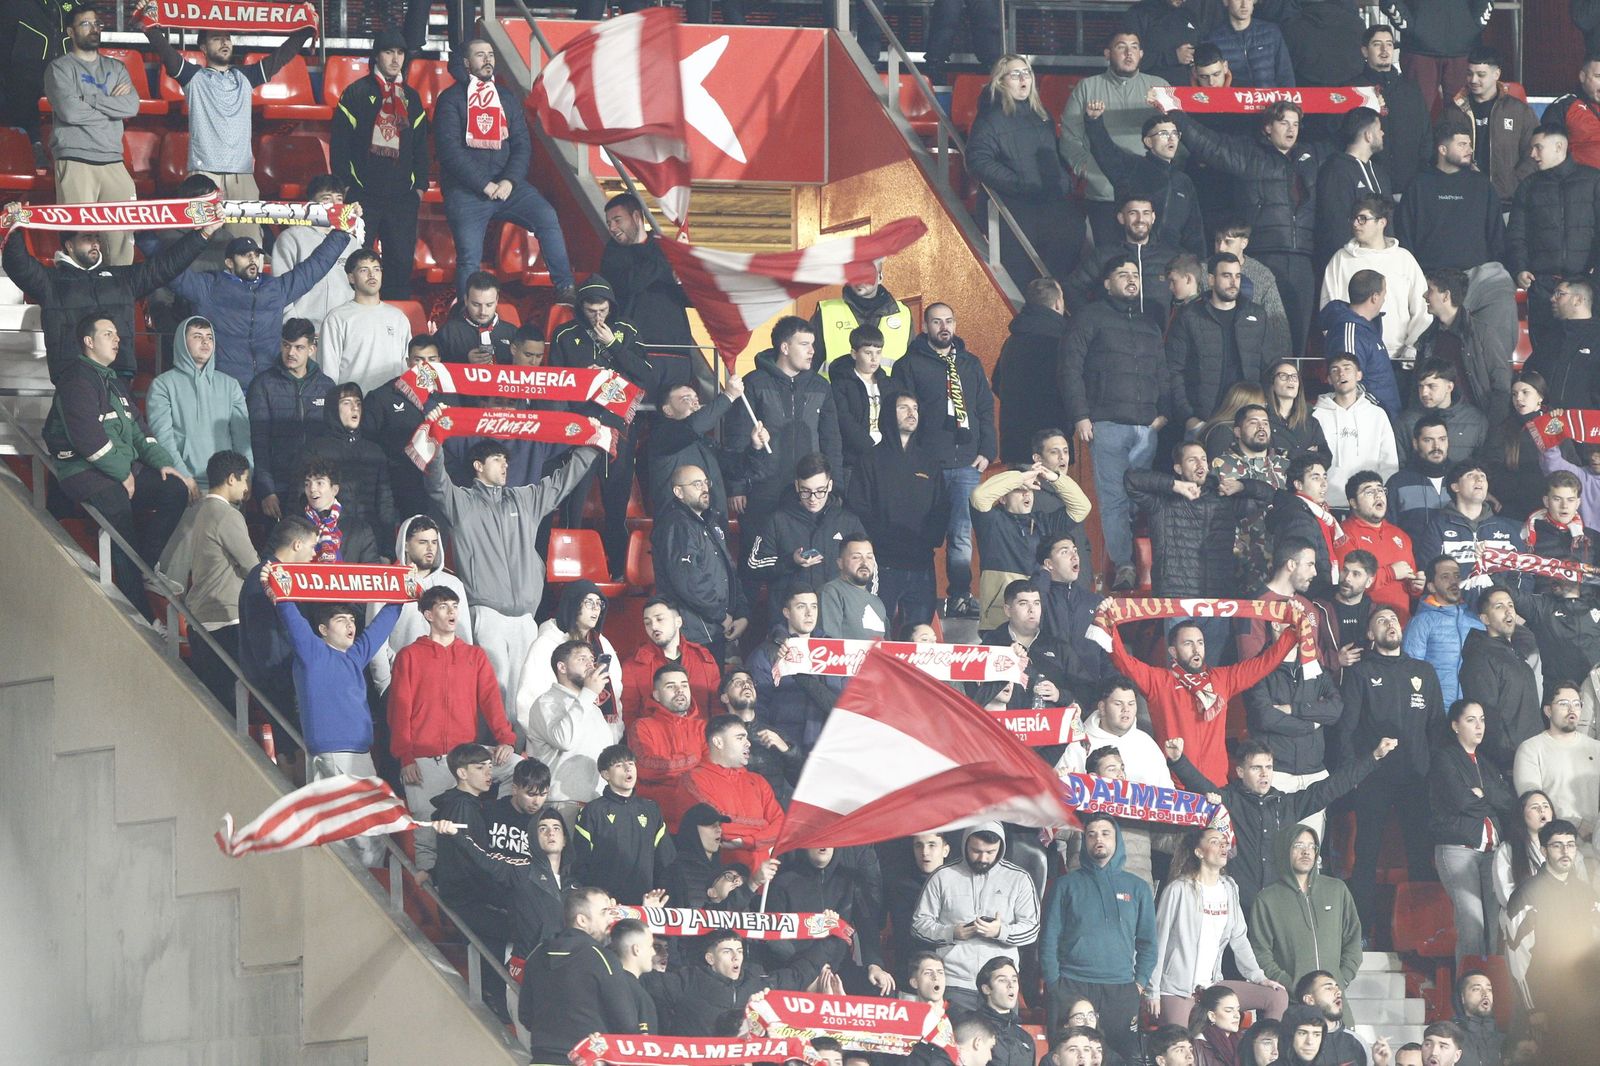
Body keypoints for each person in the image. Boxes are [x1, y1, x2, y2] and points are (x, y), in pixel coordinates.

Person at [424, 432, 597, 704]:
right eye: (497, 460)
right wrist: (434, 445)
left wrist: (592, 445)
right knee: (493, 691)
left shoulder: (524, 499)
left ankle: (520, 747)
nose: (505, 466)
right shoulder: (462, 502)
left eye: (506, 460)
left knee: (527, 693)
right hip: (487, 612)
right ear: (478, 466)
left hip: (526, 616)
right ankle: (492, 746)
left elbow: (562, 482)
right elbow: (437, 483)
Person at [43, 315, 193, 620]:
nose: (117, 339)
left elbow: (140, 431)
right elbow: (88, 440)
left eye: (117, 334)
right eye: (108, 334)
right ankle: (141, 618)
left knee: (174, 490)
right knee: (119, 517)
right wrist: (122, 472)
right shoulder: (76, 380)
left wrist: (162, 462)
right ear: (88, 341)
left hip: (120, 469)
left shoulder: (112, 380)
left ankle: (146, 567)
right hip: (83, 472)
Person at [140, 8, 315, 243]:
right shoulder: (193, 77)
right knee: (200, 246)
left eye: (227, 37)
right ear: (203, 48)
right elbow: (165, 52)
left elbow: (282, 55)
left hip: (242, 175)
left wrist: (306, 27)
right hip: (203, 176)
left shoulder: (246, 76)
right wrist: (149, 20)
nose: (224, 42)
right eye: (216, 38)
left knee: (247, 245)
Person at [1161, 98, 1322, 353]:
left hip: (1303, 258)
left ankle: (1293, 390)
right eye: (1283, 123)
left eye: (1296, 124)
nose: (1291, 130)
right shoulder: (1250, 154)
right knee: (1258, 333)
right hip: (1264, 254)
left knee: (1297, 337)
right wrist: (1175, 114)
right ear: (1268, 127)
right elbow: (1209, 145)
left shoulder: (1310, 156)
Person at [1167, 736, 1395, 915]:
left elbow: (1330, 787)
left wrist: (1373, 758)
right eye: (1257, 768)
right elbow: (1202, 787)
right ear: (1240, 772)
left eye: (1269, 767)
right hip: (1236, 907)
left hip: (1275, 909)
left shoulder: (1286, 804)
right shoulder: (1229, 800)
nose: (1265, 773)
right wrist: (1178, 760)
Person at [1060, 254, 1175, 591]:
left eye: (1135, 275)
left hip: (1145, 427)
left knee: (1143, 499)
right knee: (1114, 499)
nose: (1131, 280)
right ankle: (1124, 566)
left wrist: (1164, 412)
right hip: (1106, 423)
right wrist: (1081, 415)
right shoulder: (1089, 317)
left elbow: (1162, 372)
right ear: (1107, 283)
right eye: (1123, 274)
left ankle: (1153, 567)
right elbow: (1071, 367)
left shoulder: (1149, 323)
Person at [0, 206, 214, 382]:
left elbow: (166, 266)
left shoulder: (123, 277)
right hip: (74, 376)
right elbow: (18, 265)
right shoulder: (49, 281)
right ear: (69, 245)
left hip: (119, 374)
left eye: (96, 237)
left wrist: (202, 235)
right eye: (86, 238)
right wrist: (14, 230)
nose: (95, 243)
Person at [435, 37, 574, 301]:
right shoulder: (450, 99)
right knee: (468, 259)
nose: (487, 59)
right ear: (466, 63)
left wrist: (509, 181)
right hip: (468, 192)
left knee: (547, 216)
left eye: (490, 54)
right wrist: (484, 185)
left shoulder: (506, 98)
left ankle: (566, 289)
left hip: (509, 186)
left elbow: (522, 145)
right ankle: (469, 312)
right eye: (480, 55)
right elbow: (449, 152)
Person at [388, 586, 516, 871]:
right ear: (428, 614)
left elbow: (491, 702)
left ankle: (499, 839)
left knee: (519, 770)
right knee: (427, 837)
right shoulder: (409, 656)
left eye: (455, 606)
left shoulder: (474, 656)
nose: (452, 612)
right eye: (444, 606)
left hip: (465, 757)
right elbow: (400, 710)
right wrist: (405, 756)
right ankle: (431, 902)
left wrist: (505, 739)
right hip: (424, 759)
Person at [271, 589, 402, 862]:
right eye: (341, 620)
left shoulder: (354, 657)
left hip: (358, 752)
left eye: (352, 619)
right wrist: (281, 595)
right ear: (322, 629)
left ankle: (364, 888)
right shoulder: (313, 652)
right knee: (353, 828)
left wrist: (400, 597)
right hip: (334, 752)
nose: (350, 625)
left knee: (362, 825)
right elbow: (292, 621)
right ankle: (363, 891)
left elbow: (379, 628)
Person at [887, 303, 996, 616]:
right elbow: (900, 414)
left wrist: (987, 451)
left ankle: (960, 596)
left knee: (961, 533)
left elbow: (985, 410)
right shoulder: (909, 364)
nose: (943, 327)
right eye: (936, 322)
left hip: (966, 462)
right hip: (926, 464)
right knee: (921, 531)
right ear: (925, 326)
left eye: (948, 321)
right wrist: (909, 457)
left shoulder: (970, 363)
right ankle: (917, 598)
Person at [1339, 605, 1439, 935]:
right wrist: (1353, 775)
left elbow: (1436, 729)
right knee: (1365, 855)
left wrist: (1434, 776)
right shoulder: (1360, 674)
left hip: (1416, 780)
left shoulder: (1423, 671)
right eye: (1381, 620)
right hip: (1374, 780)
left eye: (1394, 619)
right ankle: (1361, 932)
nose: (1390, 624)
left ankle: (1423, 932)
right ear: (1370, 634)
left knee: (1421, 856)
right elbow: (1346, 731)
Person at [551, 274, 659, 575]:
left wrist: (612, 346)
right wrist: (586, 380)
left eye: (603, 310)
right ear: (581, 307)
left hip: (618, 428)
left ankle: (617, 566)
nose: (598, 316)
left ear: (611, 306)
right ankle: (568, 565)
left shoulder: (626, 330)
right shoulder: (564, 334)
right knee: (573, 499)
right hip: (580, 426)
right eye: (591, 311)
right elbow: (555, 385)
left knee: (616, 499)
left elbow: (646, 375)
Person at [1112, 616, 1296, 787]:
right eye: (1188, 643)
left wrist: (1293, 631)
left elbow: (1264, 664)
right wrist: (1108, 624)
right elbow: (1123, 661)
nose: (1196, 649)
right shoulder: (1159, 681)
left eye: (1200, 643)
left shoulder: (1222, 679)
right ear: (1173, 651)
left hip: (1215, 787)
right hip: (1175, 787)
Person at [173, 223, 355, 389]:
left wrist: (340, 233)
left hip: (267, 386)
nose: (253, 259)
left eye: (256, 255)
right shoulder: (208, 286)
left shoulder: (274, 288)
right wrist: (145, 230)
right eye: (245, 255)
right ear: (229, 262)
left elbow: (313, 268)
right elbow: (169, 271)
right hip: (223, 388)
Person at [1039, 815, 1154, 1060]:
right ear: (1084, 841)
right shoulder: (1065, 885)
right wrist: (1054, 984)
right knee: (1065, 1057)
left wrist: (1139, 984)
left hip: (1121, 990)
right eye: (1091, 834)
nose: (1098, 839)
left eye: (1105, 833)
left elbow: (1148, 943)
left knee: (1120, 1059)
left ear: (1117, 840)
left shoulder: (1138, 888)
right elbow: (1048, 938)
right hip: (1071, 985)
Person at [1151, 827, 1289, 1027]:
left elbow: (1239, 939)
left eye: (1224, 842)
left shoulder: (1229, 888)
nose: (1222, 846)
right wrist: (1153, 990)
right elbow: (1159, 940)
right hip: (1177, 989)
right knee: (1179, 1048)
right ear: (1199, 852)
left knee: (1276, 996)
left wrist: (1258, 976)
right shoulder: (1178, 889)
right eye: (1214, 842)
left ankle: (1263, 1046)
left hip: (1213, 986)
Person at [966, 54, 1085, 285]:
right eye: (1015, 74)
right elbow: (978, 160)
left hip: (1050, 204)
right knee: (1022, 279)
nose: (1024, 78)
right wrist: (1018, 183)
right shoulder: (990, 118)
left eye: (1027, 72)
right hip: (1015, 208)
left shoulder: (1042, 115)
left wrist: (1064, 180)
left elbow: (1055, 154)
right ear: (1001, 81)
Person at [329, 30, 428, 301]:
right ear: (376, 55)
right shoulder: (356, 92)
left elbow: (421, 145)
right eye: (389, 52)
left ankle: (395, 321)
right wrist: (346, 186)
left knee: (400, 263)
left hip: (402, 198)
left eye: (400, 53)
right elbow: (339, 144)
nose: (395, 59)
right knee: (354, 261)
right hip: (363, 196)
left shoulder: (412, 97)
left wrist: (419, 186)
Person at [1127, 440, 1274, 618]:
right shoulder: (1162, 501)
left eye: (1203, 459)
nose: (1200, 464)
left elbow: (1268, 496)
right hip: (1176, 599)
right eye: (1192, 460)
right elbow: (1131, 480)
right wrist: (1175, 485)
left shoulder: (1223, 498)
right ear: (1178, 468)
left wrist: (1242, 486)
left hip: (1218, 597)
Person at [725, 316, 843, 528]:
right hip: (763, 490)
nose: (812, 351)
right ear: (785, 347)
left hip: (808, 491)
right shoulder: (754, 382)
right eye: (805, 344)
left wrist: (836, 488)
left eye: (812, 344)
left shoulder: (821, 386)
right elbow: (737, 437)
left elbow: (831, 440)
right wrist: (736, 486)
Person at [912, 822, 1040, 1016]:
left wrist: (1000, 931)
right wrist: (951, 932)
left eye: (990, 852)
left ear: (1001, 847)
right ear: (964, 844)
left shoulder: (1019, 878)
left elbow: (1032, 929)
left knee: (1003, 1045)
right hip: (955, 982)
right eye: (976, 851)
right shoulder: (942, 876)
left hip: (1001, 985)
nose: (983, 858)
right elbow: (918, 924)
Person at [1059, 28, 1172, 246]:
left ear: (1141, 54)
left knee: (1150, 263)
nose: (1129, 53)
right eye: (1121, 47)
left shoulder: (1159, 86)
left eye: (1134, 47)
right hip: (1104, 194)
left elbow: (1175, 136)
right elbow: (1069, 137)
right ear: (1107, 53)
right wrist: (1085, 168)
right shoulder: (1087, 87)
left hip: (1149, 198)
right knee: (1108, 263)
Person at [42, 7, 137, 266]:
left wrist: (88, 99)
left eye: (96, 23)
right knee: (79, 240)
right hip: (75, 160)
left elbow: (131, 107)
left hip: (113, 161)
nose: (94, 28)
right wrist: (109, 107)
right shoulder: (59, 69)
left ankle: (117, 298)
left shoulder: (116, 68)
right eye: (85, 24)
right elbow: (70, 112)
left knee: (122, 243)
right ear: (71, 32)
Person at [847, 392, 949, 632]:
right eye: (903, 408)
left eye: (915, 407)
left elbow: (941, 507)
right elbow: (858, 507)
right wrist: (879, 542)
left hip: (921, 563)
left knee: (920, 633)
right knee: (877, 631)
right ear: (887, 415)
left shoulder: (929, 461)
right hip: (883, 563)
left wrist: (930, 540)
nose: (911, 413)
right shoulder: (870, 459)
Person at [1430, 698, 1517, 967]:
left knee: (1495, 927)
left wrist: (1483, 793)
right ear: (1455, 725)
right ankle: (1468, 996)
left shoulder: (1486, 763)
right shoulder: (1445, 758)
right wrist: (1487, 798)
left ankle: (1495, 996)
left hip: (1491, 853)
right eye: (1471, 720)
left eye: (1482, 720)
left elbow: (1508, 803)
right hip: (1459, 849)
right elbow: (1462, 801)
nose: (1479, 726)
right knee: (1472, 925)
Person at [1503, 819, 1600, 1059]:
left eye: (1570, 844)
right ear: (1544, 850)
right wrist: (1533, 1008)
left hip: (1588, 1002)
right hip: (1548, 1002)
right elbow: (1517, 958)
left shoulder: (1588, 893)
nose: (1566, 851)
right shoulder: (1525, 895)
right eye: (1557, 845)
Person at [168, 451, 255, 706]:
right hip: (226, 617)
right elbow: (252, 565)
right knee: (231, 703)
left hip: (202, 618)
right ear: (231, 479)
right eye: (245, 480)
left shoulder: (201, 511)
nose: (247, 488)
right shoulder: (228, 515)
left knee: (214, 701)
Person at [1507, 125, 1600, 355]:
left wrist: (1594, 275)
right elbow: (1516, 234)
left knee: (1587, 354)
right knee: (1544, 353)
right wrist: (1520, 268)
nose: (1532, 155)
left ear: (1560, 147)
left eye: (1538, 147)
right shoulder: (1528, 187)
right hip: (1542, 286)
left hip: (1586, 285)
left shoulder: (1594, 180)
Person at [520, 886, 639, 1064]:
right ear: (582, 920)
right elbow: (627, 1024)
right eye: (605, 912)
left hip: (541, 1059)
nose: (611, 919)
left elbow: (525, 1016)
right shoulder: (602, 957)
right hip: (585, 1060)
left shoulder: (537, 954)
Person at [640, 929, 824, 1037]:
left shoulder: (759, 982)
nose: (736, 957)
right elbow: (634, 974)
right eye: (727, 951)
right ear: (710, 958)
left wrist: (832, 934)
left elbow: (800, 974)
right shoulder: (687, 980)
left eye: (739, 950)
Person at [970, 465, 1091, 627]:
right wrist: (1019, 478)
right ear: (1003, 498)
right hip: (999, 619)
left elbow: (1082, 507)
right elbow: (979, 496)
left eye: (1030, 489)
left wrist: (1055, 479)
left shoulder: (1044, 522)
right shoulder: (991, 521)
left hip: (1039, 618)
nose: (1027, 493)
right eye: (1020, 490)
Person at [1168, 252, 1275, 433]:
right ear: (1211, 280)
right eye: (1226, 276)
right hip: (1204, 419)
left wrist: (1264, 410)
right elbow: (1173, 370)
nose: (1234, 282)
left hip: (1247, 418)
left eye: (1237, 276)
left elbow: (1269, 366)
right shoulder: (1189, 316)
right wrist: (1188, 417)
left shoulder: (1257, 315)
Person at [1322, 197, 1434, 369]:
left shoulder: (1403, 258)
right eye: (1353, 218)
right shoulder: (1340, 259)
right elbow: (1329, 310)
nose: (1356, 224)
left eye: (1363, 218)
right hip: (1354, 359)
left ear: (1382, 222)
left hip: (1398, 358)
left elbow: (1423, 309)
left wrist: (1412, 346)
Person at [1248, 825, 1362, 994]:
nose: (1306, 852)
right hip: (1290, 1004)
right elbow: (1260, 952)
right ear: (1284, 850)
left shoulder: (1337, 890)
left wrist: (1341, 979)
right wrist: (1291, 986)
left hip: (1333, 1001)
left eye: (1311, 846)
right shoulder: (1267, 899)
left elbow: (1353, 940)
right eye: (1299, 846)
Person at [1085, 97, 1206, 256]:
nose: (1171, 138)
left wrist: (1200, 265)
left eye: (1175, 133)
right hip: (1132, 257)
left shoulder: (1183, 181)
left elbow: (1194, 230)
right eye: (1163, 133)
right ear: (1148, 141)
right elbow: (1105, 151)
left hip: (1172, 260)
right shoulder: (1133, 166)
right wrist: (1094, 121)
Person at [652, 464, 747, 663]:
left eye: (706, 482)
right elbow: (688, 581)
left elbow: (728, 570)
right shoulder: (677, 525)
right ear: (678, 491)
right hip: (695, 632)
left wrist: (740, 613)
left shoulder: (708, 520)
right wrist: (722, 616)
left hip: (714, 627)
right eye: (696, 484)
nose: (705, 488)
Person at [146, 317, 252, 492]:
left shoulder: (230, 385)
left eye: (209, 337)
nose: (205, 341)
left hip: (227, 486)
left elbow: (242, 438)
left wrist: (247, 477)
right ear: (181, 341)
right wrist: (184, 477)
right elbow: (163, 438)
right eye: (197, 336)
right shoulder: (162, 385)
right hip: (184, 484)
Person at [245, 320, 336, 522]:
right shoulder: (262, 385)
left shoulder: (327, 386)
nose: (291, 353)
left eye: (299, 347)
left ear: (312, 349)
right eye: (286, 345)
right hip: (278, 488)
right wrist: (266, 491)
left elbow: (332, 443)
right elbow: (258, 443)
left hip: (315, 488)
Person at [746, 453, 862, 603]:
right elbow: (754, 566)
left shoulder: (848, 522)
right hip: (787, 617)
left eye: (820, 491)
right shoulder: (778, 520)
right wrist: (790, 561)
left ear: (830, 485)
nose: (813, 499)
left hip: (835, 616)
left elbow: (868, 567)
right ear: (796, 486)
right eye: (806, 491)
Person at [647, 377, 767, 519]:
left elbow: (737, 469)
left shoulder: (706, 442)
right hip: (680, 529)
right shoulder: (661, 437)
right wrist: (728, 396)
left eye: (696, 398)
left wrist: (755, 447)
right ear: (667, 410)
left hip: (714, 528)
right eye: (686, 399)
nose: (695, 403)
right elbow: (695, 425)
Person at [601, 193, 699, 367]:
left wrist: (681, 277)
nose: (612, 228)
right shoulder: (612, 254)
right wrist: (667, 258)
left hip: (676, 350)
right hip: (635, 351)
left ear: (636, 216)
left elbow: (693, 299)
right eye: (609, 223)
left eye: (617, 220)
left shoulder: (665, 248)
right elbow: (630, 283)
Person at [676, 715, 784, 873]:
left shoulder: (758, 781)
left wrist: (746, 841)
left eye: (746, 738)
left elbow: (781, 826)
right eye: (740, 738)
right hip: (718, 882)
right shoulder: (694, 779)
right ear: (718, 742)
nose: (748, 743)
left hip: (763, 883)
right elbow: (720, 828)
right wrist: (763, 828)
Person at [515, 580, 625, 734]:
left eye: (599, 603)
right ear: (573, 604)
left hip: (597, 736)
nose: (596, 609)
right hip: (557, 737)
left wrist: (611, 735)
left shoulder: (603, 644)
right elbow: (529, 700)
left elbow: (615, 690)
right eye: (589, 602)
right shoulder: (546, 645)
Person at [1399, 122, 1507, 276]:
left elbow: (1497, 233)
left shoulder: (1482, 184)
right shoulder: (1418, 184)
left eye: (1469, 145)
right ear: (1443, 149)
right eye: (1462, 145)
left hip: (1477, 276)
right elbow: (1405, 233)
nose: (1469, 150)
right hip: (1429, 275)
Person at [571, 743, 673, 905]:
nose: (628, 769)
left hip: (645, 903)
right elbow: (580, 862)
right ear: (605, 774)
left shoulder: (651, 809)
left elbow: (666, 860)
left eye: (631, 763)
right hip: (607, 906)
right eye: (619, 765)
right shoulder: (593, 811)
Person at [297, 382, 394, 552]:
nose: (354, 409)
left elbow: (385, 504)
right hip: (325, 540)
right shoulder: (314, 449)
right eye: (347, 403)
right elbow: (299, 500)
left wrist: (388, 550)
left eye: (358, 403)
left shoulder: (374, 451)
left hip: (369, 541)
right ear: (333, 409)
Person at [1458, 587, 1542, 774]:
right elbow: (1487, 715)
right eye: (1499, 606)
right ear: (1485, 619)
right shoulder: (1480, 657)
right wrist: (1506, 759)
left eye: (1510, 605)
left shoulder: (1514, 652)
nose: (1508, 610)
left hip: (1532, 755)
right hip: (1509, 762)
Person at [1414, 269, 1513, 423]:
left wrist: (1492, 427)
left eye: (1430, 290)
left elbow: (1501, 386)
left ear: (1446, 296)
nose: (1425, 295)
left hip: (1476, 423)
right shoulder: (1427, 339)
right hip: (1436, 424)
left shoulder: (1482, 334)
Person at [363, 335, 442, 521]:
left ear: (440, 361)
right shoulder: (382, 397)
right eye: (418, 360)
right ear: (408, 362)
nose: (425, 366)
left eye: (432, 359)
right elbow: (367, 444)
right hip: (398, 485)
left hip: (441, 483)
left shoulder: (451, 395)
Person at [1065, 194, 1180, 321]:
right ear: (1121, 218)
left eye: (1146, 213)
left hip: (1158, 338)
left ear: (1153, 217)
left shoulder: (1170, 258)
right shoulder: (1103, 255)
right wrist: (1094, 320)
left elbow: (1186, 297)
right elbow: (1071, 288)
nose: (1140, 219)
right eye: (1133, 213)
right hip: (1111, 339)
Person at [1449, 46, 1537, 211]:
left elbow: (1534, 153)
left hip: (1508, 203)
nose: (1473, 80)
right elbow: (1441, 153)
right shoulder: (1453, 111)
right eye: (1469, 73)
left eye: (1481, 75)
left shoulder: (1519, 111)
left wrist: (1514, 184)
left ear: (1497, 75)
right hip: (1463, 200)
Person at [1513, 682, 1600, 847]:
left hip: (1594, 845)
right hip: (1551, 844)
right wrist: (1577, 823)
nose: (1571, 709)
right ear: (1548, 710)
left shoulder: (1596, 749)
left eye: (1576, 704)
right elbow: (1532, 804)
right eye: (1564, 704)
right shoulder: (1531, 749)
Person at [1351, 23, 1432, 195]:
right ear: (1365, 51)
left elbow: (1426, 135)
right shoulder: (1354, 90)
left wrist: (1422, 173)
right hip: (1368, 187)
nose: (1384, 49)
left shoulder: (1411, 89)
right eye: (1377, 44)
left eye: (1389, 44)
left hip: (1410, 187)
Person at [316, 251, 410, 393]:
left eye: (376, 269)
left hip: (393, 405)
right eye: (364, 270)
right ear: (351, 277)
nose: (372, 275)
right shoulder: (337, 318)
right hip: (355, 405)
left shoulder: (398, 317)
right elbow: (328, 373)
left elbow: (407, 367)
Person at [619, 598, 721, 730]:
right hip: (657, 745)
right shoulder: (633, 666)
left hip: (702, 743)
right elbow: (628, 717)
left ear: (678, 622)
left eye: (659, 619)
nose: (653, 627)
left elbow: (718, 708)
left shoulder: (703, 659)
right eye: (647, 623)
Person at [1312, 354, 1400, 505]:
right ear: (1329, 379)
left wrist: (1380, 499)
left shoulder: (1377, 414)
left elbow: (1389, 462)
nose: (1341, 374)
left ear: (1359, 375)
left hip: (1367, 504)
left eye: (1347, 368)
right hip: (1326, 503)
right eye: (1335, 370)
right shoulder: (1316, 415)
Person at [1314, 108, 1392, 274]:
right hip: (1352, 266)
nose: (1383, 133)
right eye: (1379, 129)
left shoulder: (1380, 173)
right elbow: (1335, 223)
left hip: (1383, 264)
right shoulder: (1336, 169)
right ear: (1368, 135)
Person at [627, 665, 707, 823]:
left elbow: (711, 770)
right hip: (656, 819)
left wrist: (670, 766)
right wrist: (693, 758)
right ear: (656, 695)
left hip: (699, 817)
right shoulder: (642, 726)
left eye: (684, 685)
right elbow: (645, 768)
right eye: (671, 686)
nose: (680, 691)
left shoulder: (704, 727)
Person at [273, 176, 355, 329]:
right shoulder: (290, 238)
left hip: (343, 329)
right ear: (311, 204)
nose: (335, 205)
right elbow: (279, 288)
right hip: (301, 333)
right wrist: (293, 327)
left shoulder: (351, 240)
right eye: (327, 199)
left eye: (339, 199)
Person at [1342, 472, 1421, 623]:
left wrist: (1416, 585)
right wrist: (1390, 573)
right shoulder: (1345, 533)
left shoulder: (1400, 535)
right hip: (1364, 627)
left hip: (1400, 627)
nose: (1378, 496)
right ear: (1353, 503)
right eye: (1369, 491)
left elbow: (1411, 585)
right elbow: (1348, 584)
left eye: (1380, 490)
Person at [1262, 455, 1342, 596]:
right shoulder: (1299, 516)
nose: (1324, 483)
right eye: (1316, 478)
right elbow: (1300, 568)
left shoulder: (1317, 513)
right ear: (1298, 484)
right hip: (1311, 594)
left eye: (1325, 477)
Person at [1218, 222, 1294, 365]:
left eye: (1228, 242)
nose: (1221, 248)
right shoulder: (1203, 272)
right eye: (1217, 241)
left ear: (1244, 243)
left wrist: (1283, 365)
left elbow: (1277, 322)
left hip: (1252, 355)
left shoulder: (1262, 275)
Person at [1524, 276, 1600, 411]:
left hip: (1589, 425)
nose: (1552, 299)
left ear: (1578, 299)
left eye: (1560, 294)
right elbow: (1530, 372)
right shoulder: (1550, 337)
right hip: (1547, 422)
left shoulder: (1596, 337)